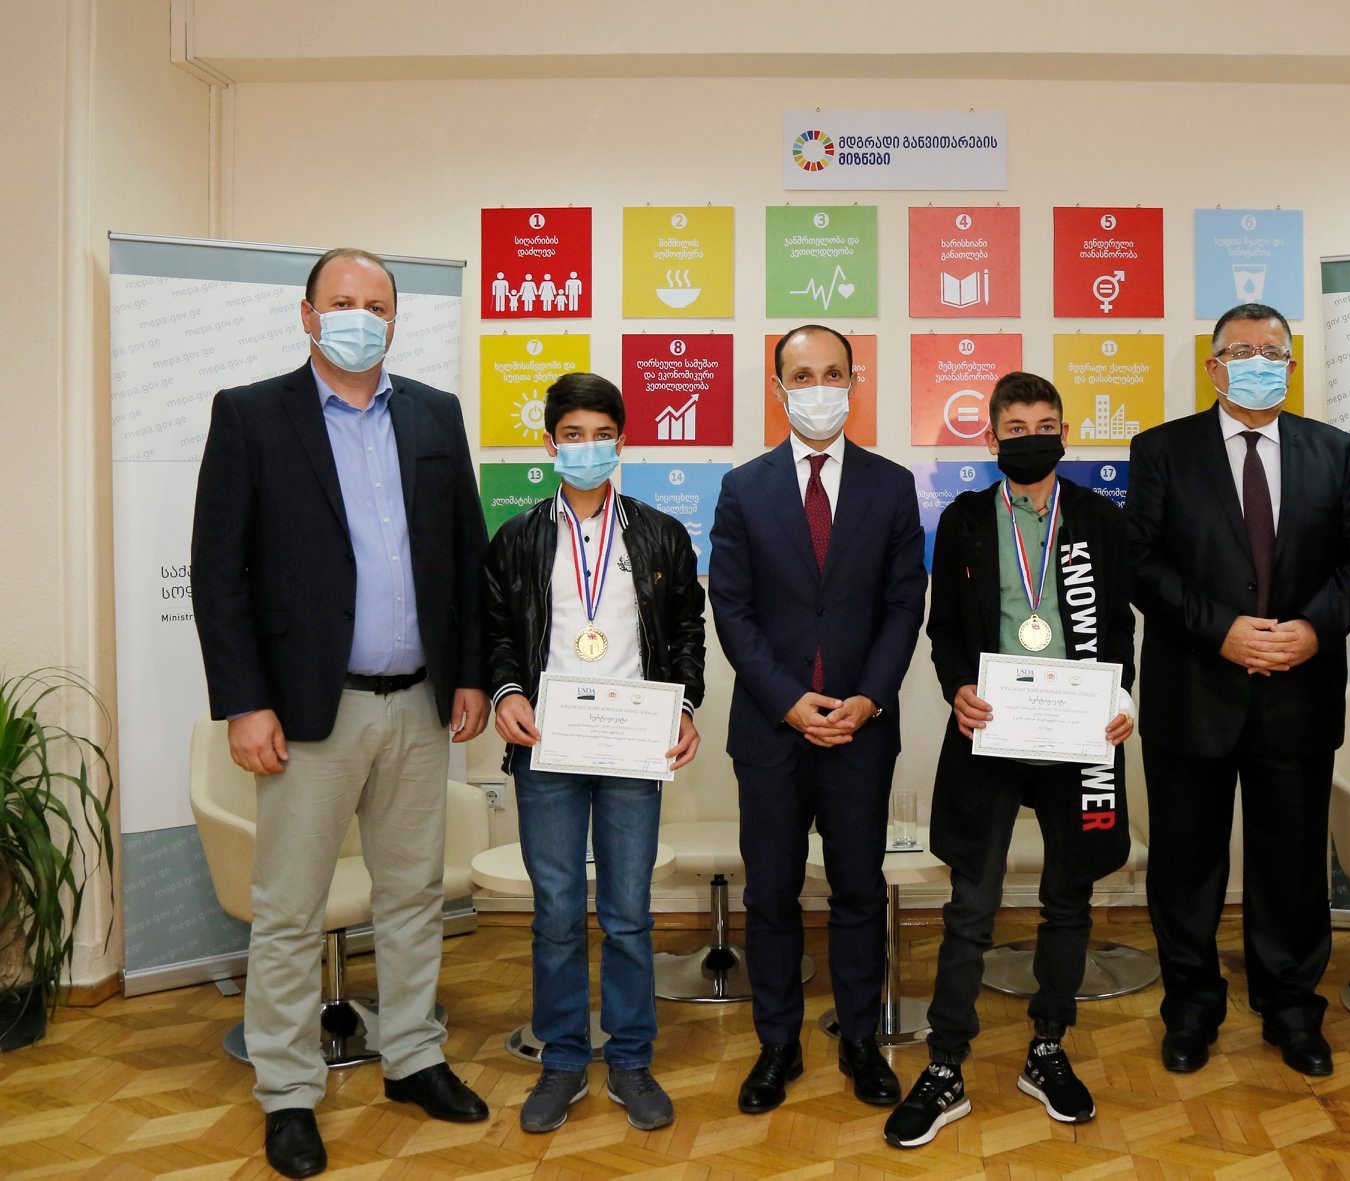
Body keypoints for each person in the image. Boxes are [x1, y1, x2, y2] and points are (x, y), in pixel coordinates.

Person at [190, 248, 491, 1178]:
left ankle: (413, 1056)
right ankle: (288, 1089)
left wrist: (470, 675)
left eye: (376, 304)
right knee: (289, 908)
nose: (360, 316)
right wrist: (244, 702)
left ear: (395, 319)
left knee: (413, 894)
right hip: (307, 711)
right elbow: (218, 572)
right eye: (342, 301)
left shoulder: (434, 414)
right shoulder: (251, 414)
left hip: (419, 704)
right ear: (308, 314)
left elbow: (465, 555)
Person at [885, 373, 1137, 1150]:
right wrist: (957, 688)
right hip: (989, 734)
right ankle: (945, 1064)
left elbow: (1118, 625)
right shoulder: (963, 518)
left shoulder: (1097, 516)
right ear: (990, 437)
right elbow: (943, 632)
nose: (1032, 436)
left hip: (1076, 736)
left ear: (1064, 432)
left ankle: (1047, 1047)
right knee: (971, 904)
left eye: (1045, 424)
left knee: (1068, 900)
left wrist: (1121, 694)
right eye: (1016, 426)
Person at [1128, 301, 1350, 1079]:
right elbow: (1141, 564)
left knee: (1292, 867)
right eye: (1240, 351)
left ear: (1291, 366)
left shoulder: (1332, 450)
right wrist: (1221, 630)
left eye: (1271, 350)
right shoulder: (1161, 450)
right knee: (1185, 867)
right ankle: (1190, 1008)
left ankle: (1291, 1009)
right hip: (1192, 691)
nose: (1257, 362)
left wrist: (1311, 629)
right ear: (1212, 367)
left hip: (1298, 695)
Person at [708, 324, 927, 1114]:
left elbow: (904, 602)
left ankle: (859, 1039)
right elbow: (731, 608)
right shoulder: (743, 487)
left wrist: (868, 697)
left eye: (833, 373)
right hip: (772, 728)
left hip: (861, 728)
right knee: (770, 893)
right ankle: (777, 1044)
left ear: (854, 382)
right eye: (802, 375)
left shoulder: (890, 485)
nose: (819, 387)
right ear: (778, 389)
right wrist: (788, 700)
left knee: (858, 889)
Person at [482, 372, 705, 1134]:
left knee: (628, 912)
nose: (587, 447)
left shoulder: (660, 534)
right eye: (572, 435)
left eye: (601, 434)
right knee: (554, 911)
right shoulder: (517, 538)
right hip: (547, 745)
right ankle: (563, 1059)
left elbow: (686, 630)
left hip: (634, 745)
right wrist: (506, 691)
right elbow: (497, 631)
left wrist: (685, 706)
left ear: (621, 440)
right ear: (548, 443)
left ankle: (632, 1058)